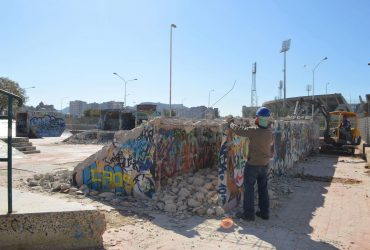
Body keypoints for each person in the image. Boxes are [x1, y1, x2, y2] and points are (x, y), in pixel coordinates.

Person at [226, 107, 273, 221]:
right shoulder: (270, 131)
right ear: (268, 119)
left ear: (257, 119)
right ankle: (264, 213)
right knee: (263, 189)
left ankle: (249, 214)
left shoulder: (254, 131)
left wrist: (230, 123)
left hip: (253, 165)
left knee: (249, 190)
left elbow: (238, 129)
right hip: (265, 165)